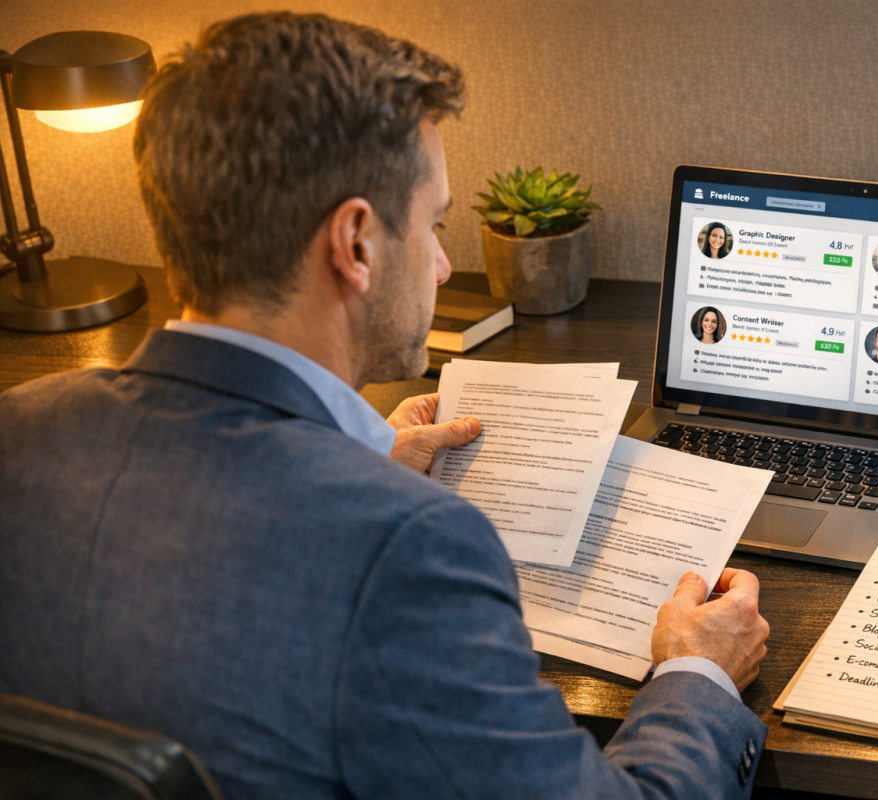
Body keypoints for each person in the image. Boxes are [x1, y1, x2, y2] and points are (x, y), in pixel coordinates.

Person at [0, 13, 769, 800]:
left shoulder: (15, 430)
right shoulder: (410, 549)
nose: (441, 266)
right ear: (357, 244)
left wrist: (363, 461)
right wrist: (695, 673)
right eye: (434, 225)